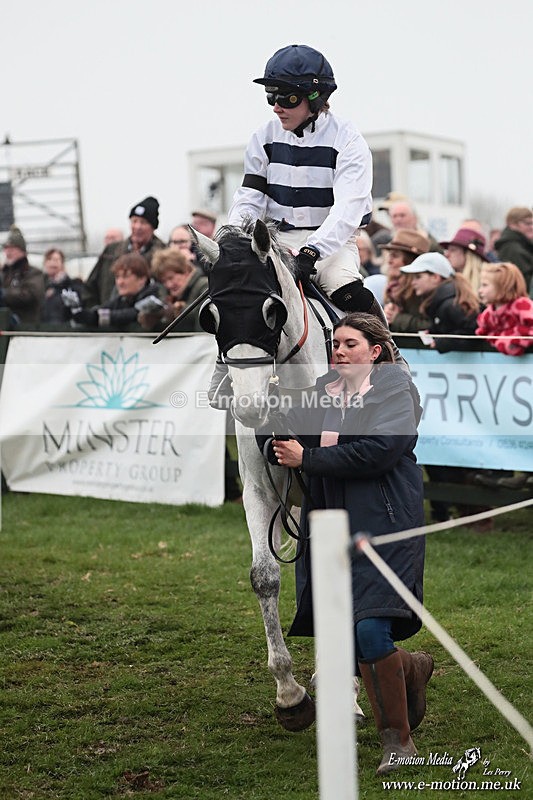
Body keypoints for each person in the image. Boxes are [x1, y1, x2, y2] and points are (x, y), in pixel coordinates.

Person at [259, 312, 433, 775]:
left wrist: (308, 457)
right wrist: (269, 423)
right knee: (347, 637)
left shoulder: (397, 391)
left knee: (369, 631)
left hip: (384, 527)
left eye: (349, 343)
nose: (338, 350)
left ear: (375, 351)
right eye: (335, 342)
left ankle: (397, 743)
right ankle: (410, 669)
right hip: (328, 530)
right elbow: (280, 431)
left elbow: (378, 452)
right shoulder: (321, 393)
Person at [228, 44, 378, 316]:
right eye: (271, 96)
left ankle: (389, 352)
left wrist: (313, 250)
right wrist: (234, 239)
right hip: (276, 241)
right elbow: (249, 199)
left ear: (316, 97)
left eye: (287, 98)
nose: (276, 107)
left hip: (333, 244)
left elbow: (347, 210)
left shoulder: (348, 140)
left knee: (345, 289)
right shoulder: (262, 138)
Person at [84, 196, 165, 307]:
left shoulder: (163, 255)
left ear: (153, 227)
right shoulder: (112, 251)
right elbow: (90, 286)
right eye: (134, 221)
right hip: (109, 318)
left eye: (143, 222)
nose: (138, 227)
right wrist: (95, 313)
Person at [401, 252, 481, 352]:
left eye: (418, 277)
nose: (413, 282)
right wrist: (433, 332)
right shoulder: (441, 302)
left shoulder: (451, 304)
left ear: (435, 277)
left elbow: (473, 332)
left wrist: (444, 342)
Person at [63, 252, 164, 332]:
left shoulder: (155, 295)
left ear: (142, 279)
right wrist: (77, 311)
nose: (120, 282)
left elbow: (130, 315)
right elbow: (101, 311)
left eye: (125, 277)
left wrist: (95, 317)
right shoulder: (121, 299)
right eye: (117, 277)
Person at [140, 247, 208, 332]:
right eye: (164, 281)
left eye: (171, 278)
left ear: (185, 270)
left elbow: (203, 317)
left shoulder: (204, 286)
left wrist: (177, 311)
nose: (169, 285)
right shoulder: (167, 295)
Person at [476, 262, 533, 356]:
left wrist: (512, 340)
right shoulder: (487, 314)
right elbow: (485, 334)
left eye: (485, 285)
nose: (480, 290)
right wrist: (499, 342)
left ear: (503, 287)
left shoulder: (522, 306)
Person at [381, 229, 431, 333]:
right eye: (390, 255)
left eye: (395, 256)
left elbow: (430, 326)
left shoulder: (421, 290)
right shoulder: (394, 287)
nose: (389, 261)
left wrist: (397, 318)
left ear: (410, 262)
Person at [1, 225, 44, 326]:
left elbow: (30, 295)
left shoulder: (33, 273)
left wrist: (5, 294)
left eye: (12, 248)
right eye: (6, 248)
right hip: (4, 328)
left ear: (22, 251)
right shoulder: (4, 273)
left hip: (25, 328)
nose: (8, 252)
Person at [41, 247, 85, 325]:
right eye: (49, 259)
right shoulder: (39, 284)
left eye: (56, 260)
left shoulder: (72, 286)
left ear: (62, 263)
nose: (52, 263)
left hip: (63, 329)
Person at [439, 226, 488, 295]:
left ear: (469, 255)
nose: (447, 255)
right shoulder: (445, 281)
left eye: (453, 250)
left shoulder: (487, 284)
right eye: (447, 250)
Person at [494, 207, 533, 291]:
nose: (531, 227)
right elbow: (526, 283)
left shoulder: (520, 245)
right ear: (512, 224)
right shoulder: (513, 250)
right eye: (527, 223)